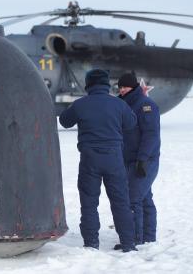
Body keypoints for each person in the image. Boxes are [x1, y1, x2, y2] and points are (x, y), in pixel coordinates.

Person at [59, 69, 138, 252]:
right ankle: (128, 243)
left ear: (88, 85)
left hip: (89, 159)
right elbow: (132, 123)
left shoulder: (80, 104)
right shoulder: (118, 104)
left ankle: (91, 243)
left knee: (89, 202)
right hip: (114, 159)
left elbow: (64, 121)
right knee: (120, 202)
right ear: (106, 84)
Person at [117, 72, 161, 247]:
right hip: (129, 160)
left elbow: (151, 135)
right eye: (120, 87)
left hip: (145, 160)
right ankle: (148, 237)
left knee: (132, 198)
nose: (122, 90)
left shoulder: (145, 105)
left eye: (125, 87)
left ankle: (134, 238)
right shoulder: (122, 104)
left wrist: (142, 159)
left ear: (134, 87)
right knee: (144, 198)